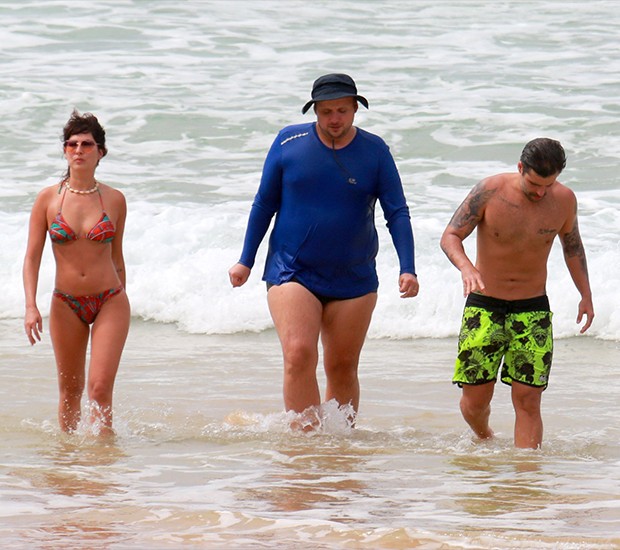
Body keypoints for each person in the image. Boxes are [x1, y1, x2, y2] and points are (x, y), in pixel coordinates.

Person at [228, 73, 419, 429]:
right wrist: (246, 260)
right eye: (327, 111)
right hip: (292, 269)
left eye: (343, 111)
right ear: (314, 110)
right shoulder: (289, 142)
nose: (335, 119)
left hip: (354, 275)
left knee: (342, 364)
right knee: (299, 353)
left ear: (355, 109)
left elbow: (397, 211)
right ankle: (305, 442)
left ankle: (337, 451)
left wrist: (407, 266)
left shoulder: (375, 151)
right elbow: (264, 203)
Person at [440, 137, 594, 449]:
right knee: (474, 403)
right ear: (520, 167)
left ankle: (527, 479)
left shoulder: (564, 200)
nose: (540, 193)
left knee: (528, 401)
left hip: (533, 309)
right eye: (534, 184)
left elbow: (573, 247)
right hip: (484, 304)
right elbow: (451, 236)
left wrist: (586, 295)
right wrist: (467, 268)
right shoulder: (490, 190)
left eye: (548, 186)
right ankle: (485, 437)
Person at [23, 110, 130, 435]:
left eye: (86, 144)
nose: (78, 150)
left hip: (110, 299)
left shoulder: (114, 199)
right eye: (71, 144)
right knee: (70, 393)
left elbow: (118, 258)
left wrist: (124, 298)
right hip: (66, 303)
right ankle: (69, 465)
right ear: (65, 150)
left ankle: (101, 463)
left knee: (99, 390)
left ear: (101, 152)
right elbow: (31, 258)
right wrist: (30, 306)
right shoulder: (47, 200)